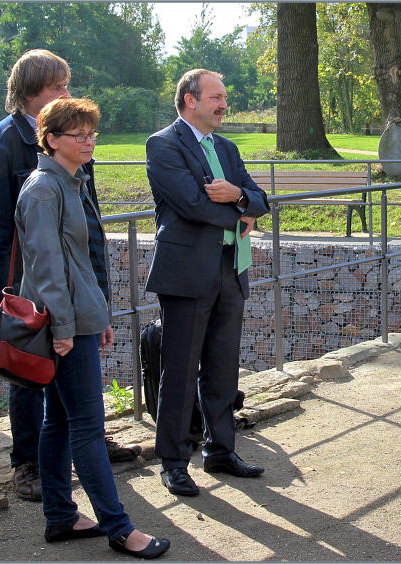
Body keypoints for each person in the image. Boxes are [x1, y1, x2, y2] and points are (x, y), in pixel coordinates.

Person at [0, 49, 140, 503]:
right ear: (30, 93)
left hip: (76, 276)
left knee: (77, 365)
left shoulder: (72, 135)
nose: (66, 92)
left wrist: (96, 282)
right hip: (29, 286)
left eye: (66, 83)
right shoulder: (0, 144)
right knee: (31, 371)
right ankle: (27, 464)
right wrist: (8, 293)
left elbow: (87, 208)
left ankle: (88, 438)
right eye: (56, 86)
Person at [14, 97, 170, 558]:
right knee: (86, 425)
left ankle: (60, 517)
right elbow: (46, 269)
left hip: (76, 319)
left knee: (58, 420)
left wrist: (96, 317)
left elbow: (83, 263)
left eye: (91, 133)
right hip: (63, 325)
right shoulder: (44, 189)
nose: (88, 141)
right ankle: (119, 528)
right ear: (51, 139)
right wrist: (65, 327)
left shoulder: (70, 182)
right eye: (78, 134)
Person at [145, 69, 270, 496]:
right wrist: (241, 213)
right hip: (185, 274)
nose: (224, 105)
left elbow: (261, 199)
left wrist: (237, 196)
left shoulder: (226, 148)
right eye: (216, 97)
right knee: (180, 371)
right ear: (190, 100)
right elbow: (193, 205)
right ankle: (174, 462)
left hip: (230, 270)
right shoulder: (164, 144)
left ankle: (221, 450)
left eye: (224, 97)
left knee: (222, 368)